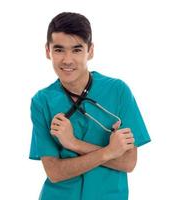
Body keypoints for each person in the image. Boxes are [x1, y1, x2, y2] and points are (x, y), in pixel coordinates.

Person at [29, 12, 151, 200]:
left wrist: (73, 144)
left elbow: (128, 162)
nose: (67, 60)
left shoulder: (118, 91)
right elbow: (55, 172)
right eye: (59, 50)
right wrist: (109, 152)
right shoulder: (42, 101)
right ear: (47, 51)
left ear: (90, 51)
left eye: (77, 50)